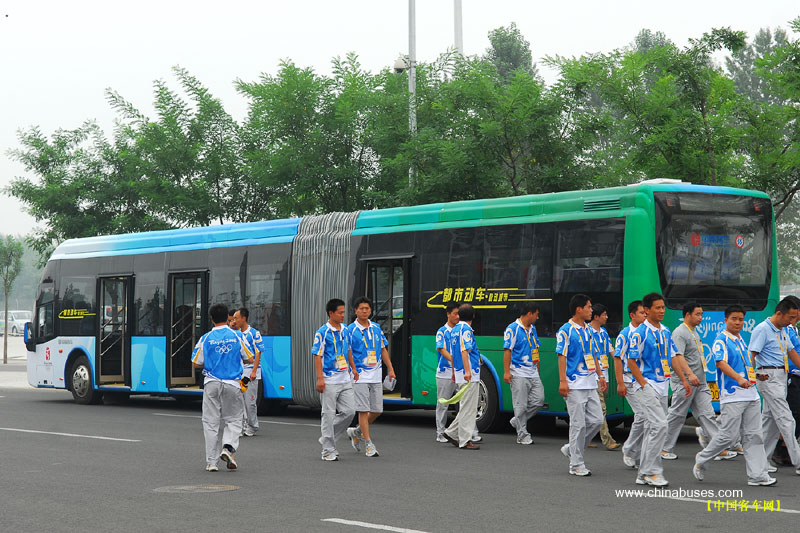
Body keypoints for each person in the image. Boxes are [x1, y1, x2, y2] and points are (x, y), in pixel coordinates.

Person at [692, 305, 776, 486]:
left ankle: (758, 475)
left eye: (741, 319)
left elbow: (746, 366)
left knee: (754, 435)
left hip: (751, 394)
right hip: (733, 396)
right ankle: (702, 458)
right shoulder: (721, 340)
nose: (738, 322)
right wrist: (738, 379)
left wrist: (756, 375)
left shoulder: (741, 340)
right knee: (728, 436)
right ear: (726, 320)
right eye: (734, 319)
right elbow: (720, 363)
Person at [662, 302, 736, 461]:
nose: (701, 318)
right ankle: (663, 448)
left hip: (699, 382)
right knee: (677, 415)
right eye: (697, 314)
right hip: (685, 382)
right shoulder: (680, 332)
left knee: (707, 414)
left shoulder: (693, 332)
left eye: (701, 314)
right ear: (687, 315)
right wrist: (688, 376)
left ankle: (717, 448)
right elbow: (677, 357)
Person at [191, 303, 254, 472]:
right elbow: (250, 357)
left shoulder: (205, 338)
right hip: (232, 383)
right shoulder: (237, 336)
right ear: (228, 317)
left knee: (210, 422)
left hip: (211, 383)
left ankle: (211, 463)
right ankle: (228, 448)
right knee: (234, 419)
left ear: (211, 318)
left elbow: (196, 362)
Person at [627, 292, 674, 487]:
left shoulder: (666, 331)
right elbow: (631, 360)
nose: (662, 311)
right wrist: (643, 384)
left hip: (663, 386)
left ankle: (643, 474)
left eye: (663, 307)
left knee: (651, 429)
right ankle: (651, 472)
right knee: (660, 425)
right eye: (658, 308)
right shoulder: (640, 333)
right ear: (647, 310)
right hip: (646, 385)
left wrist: (685, 379)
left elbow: (674, 356)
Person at [749, 296, 800, 476]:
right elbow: (751, 354)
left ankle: (761, 461)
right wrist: (751, 376)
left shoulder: (782, 330)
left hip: (781, 376)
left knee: (769, 423)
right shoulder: (762, 329)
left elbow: (791, 352)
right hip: (767, 377)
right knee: (787, 420)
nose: (792, 321)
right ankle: (798, 461)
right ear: (779, 313)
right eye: (791, 317)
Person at [557, 294, 606, 476]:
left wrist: (600, 375)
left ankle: (572, 448)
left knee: (597, 420)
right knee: (578, 425)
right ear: (579, 309)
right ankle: (576, 464)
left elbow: (594, 354)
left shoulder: (589, 330)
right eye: (588, 307)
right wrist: (563, 381)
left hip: (590, 382)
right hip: (574, 384)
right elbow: (561, 356)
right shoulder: (566, 330)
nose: (591, 310)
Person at [345, 297, 396, 457]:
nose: (364, 311)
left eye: (367, 308)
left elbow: (383, 349)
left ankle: (356, 432)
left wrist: (390, 369)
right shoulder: (350, 330)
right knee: (363, 410)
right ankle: (369, 444)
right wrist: (353, 369)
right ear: (356, 311)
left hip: (375, 374)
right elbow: (348, 352)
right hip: (359, 376)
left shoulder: (376, 328)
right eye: (361, 308)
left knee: (377, 410)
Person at [313, 298, 356, 461]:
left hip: (345, 378)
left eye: (344, 312)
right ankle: (327, 450)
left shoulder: (345, 330)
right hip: (329, 380)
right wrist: (320, 378)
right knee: (328, 414)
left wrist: (353, 368)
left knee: (350, 412)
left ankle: (327, 437)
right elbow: (317, 356)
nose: (343, 315)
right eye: (340, 312)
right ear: (331, 313)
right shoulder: (322, 332)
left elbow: (349, 350)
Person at [503, 303, 545, 445]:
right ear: (529, 314)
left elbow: (535, 349)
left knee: (539, 400)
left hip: (533, 372)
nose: (537, 317)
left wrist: (537, 367)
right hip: (518, 372)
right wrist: (507, 372)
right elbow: (507, 350)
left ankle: (517, 420)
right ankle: (522, 435)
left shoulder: (533, 329)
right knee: (520, 405)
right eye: (536, 314)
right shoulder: (513, 329)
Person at [443, 304, 481, 450]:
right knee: (469, 408)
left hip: (459, 372)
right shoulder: (466, 330)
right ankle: (465, 440)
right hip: (469, 373)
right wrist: (468, 371)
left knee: (466, 406)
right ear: (473, 316)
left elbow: (454, 353)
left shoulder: (455, 329)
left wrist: (454, 372)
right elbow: (465, 350)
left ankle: (451, 433)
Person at [616, 300, 647, 469]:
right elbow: (617, 359)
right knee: (642, 414)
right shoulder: (625, 334)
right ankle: (629, 449)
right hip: (629, 380)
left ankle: (639, 452)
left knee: (648, 417)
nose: (645, 315)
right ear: (632, 315)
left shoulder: (647, 332)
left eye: (645, 313)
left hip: (644, 381)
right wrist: (620, 382)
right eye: (642, 313)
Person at [588, 303, 620, 451]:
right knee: (601, 409)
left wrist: (619, 361)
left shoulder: (604, 332)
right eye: (604, 315)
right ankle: (607, 440)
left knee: (592, 409)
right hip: (593, 376)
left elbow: (610, 349)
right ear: (596, 317)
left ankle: (585, 437)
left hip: (604, 375)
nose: (606, 317)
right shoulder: (587, 332)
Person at [235, 307, 264, 438]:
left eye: (236, 318)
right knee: (238, 402)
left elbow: (258, 352)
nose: (235, 320)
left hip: (250, 372)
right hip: (239, 372)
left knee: (249, 402)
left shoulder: (254, 333)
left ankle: (252, 426)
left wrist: (254, 371)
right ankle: (241, 426)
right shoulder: (236, 334)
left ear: (244, 318)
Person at [434, 302, 460, 443]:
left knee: (466, 402)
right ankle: (440, 432)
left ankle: (470, 432)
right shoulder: (442, 331)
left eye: (459, 314)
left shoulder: (461, 330)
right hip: (445, 373)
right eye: (455, 313)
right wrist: (454, 360)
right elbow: (441, 349)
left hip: (459, 372)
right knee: (443, 404)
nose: (457, 316)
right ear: (448, 314)